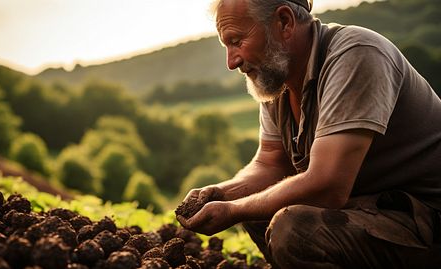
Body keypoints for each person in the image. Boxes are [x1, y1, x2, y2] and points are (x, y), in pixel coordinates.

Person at [176, 0, 441, 268]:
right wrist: (222, 194)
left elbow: (329, 185)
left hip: (425, 220)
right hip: (374, 211)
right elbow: (269, 163)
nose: (232, 61)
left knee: (295, 230)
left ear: (284, 22)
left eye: (237, 41)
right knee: (257, 209)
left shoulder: (357, 54)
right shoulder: (276, 79)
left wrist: (234, 210)